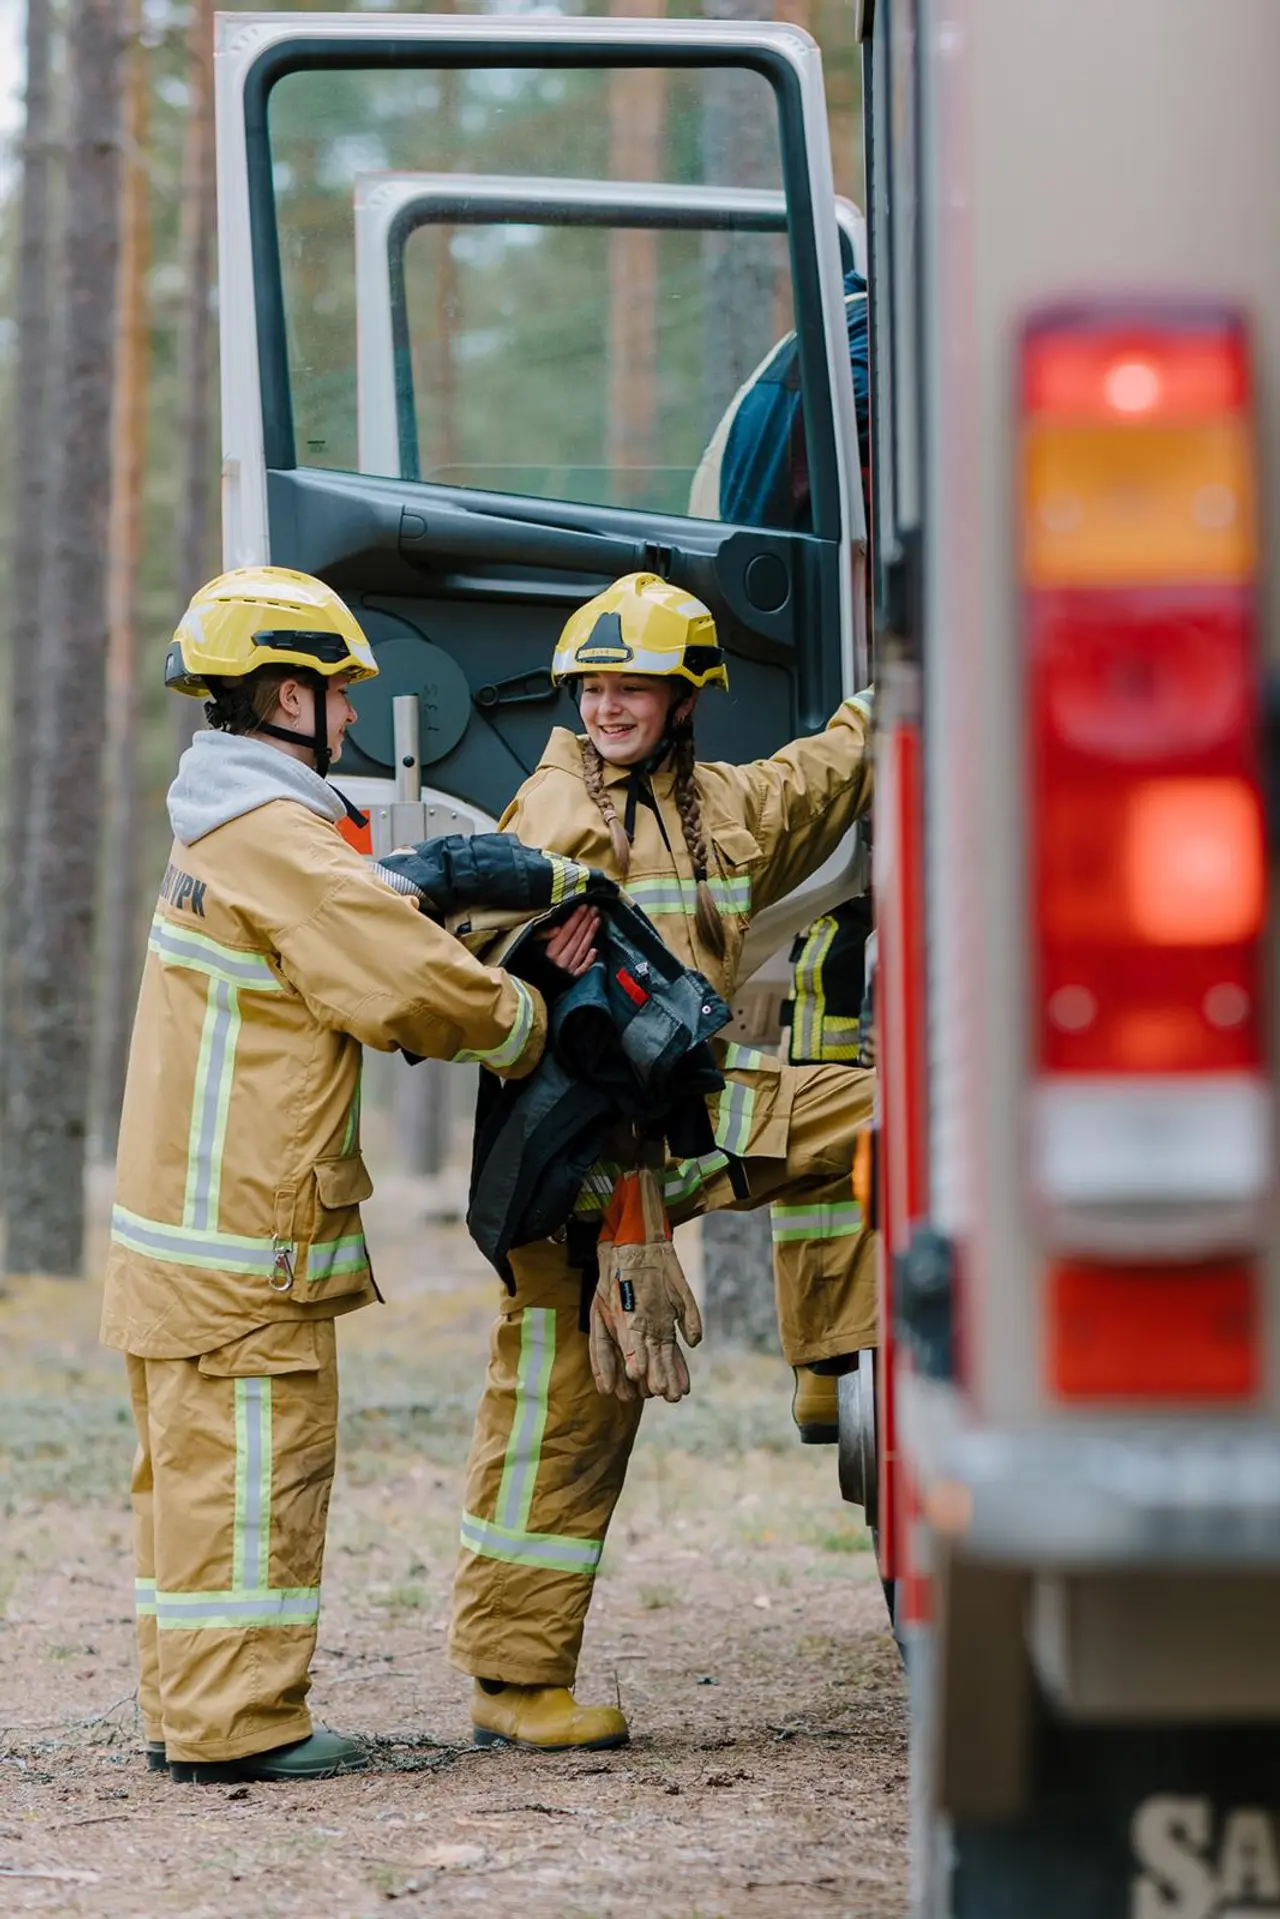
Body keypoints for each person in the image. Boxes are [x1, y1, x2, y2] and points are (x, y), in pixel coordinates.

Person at [101, 565, 591, 1785]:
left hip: (182, 1241)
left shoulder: (234, 822)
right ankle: (241, 1724)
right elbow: (403, 987)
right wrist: (533, 1022)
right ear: (282, 695)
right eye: (335, 692)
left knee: (190, 1484)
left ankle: (188, 1708)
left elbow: (336, 919)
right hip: (245, 1244)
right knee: (255, 1474)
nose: (354, 715)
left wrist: (419, 881)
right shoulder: (279, 838)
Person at [449, 570, 876, 1752]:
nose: (606, 705)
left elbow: (823, 775)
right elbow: (465, 942)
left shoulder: (723, 808)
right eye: (592, 683)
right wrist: (533, 936)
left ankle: (833, 1356)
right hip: (583, 1165)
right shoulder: (553, 812)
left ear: (684, 698)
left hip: (687, 1124)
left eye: (631, 684)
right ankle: (514, 1680)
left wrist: (897, 690)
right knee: (564, 1409)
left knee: (879, 1119)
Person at [693, 268, 875, 1447]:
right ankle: (827, 1354)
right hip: (839, 710)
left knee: (825, 1029)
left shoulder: (812, 361)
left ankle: (828, 1357)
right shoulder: (855, 350)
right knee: (834, 1049)